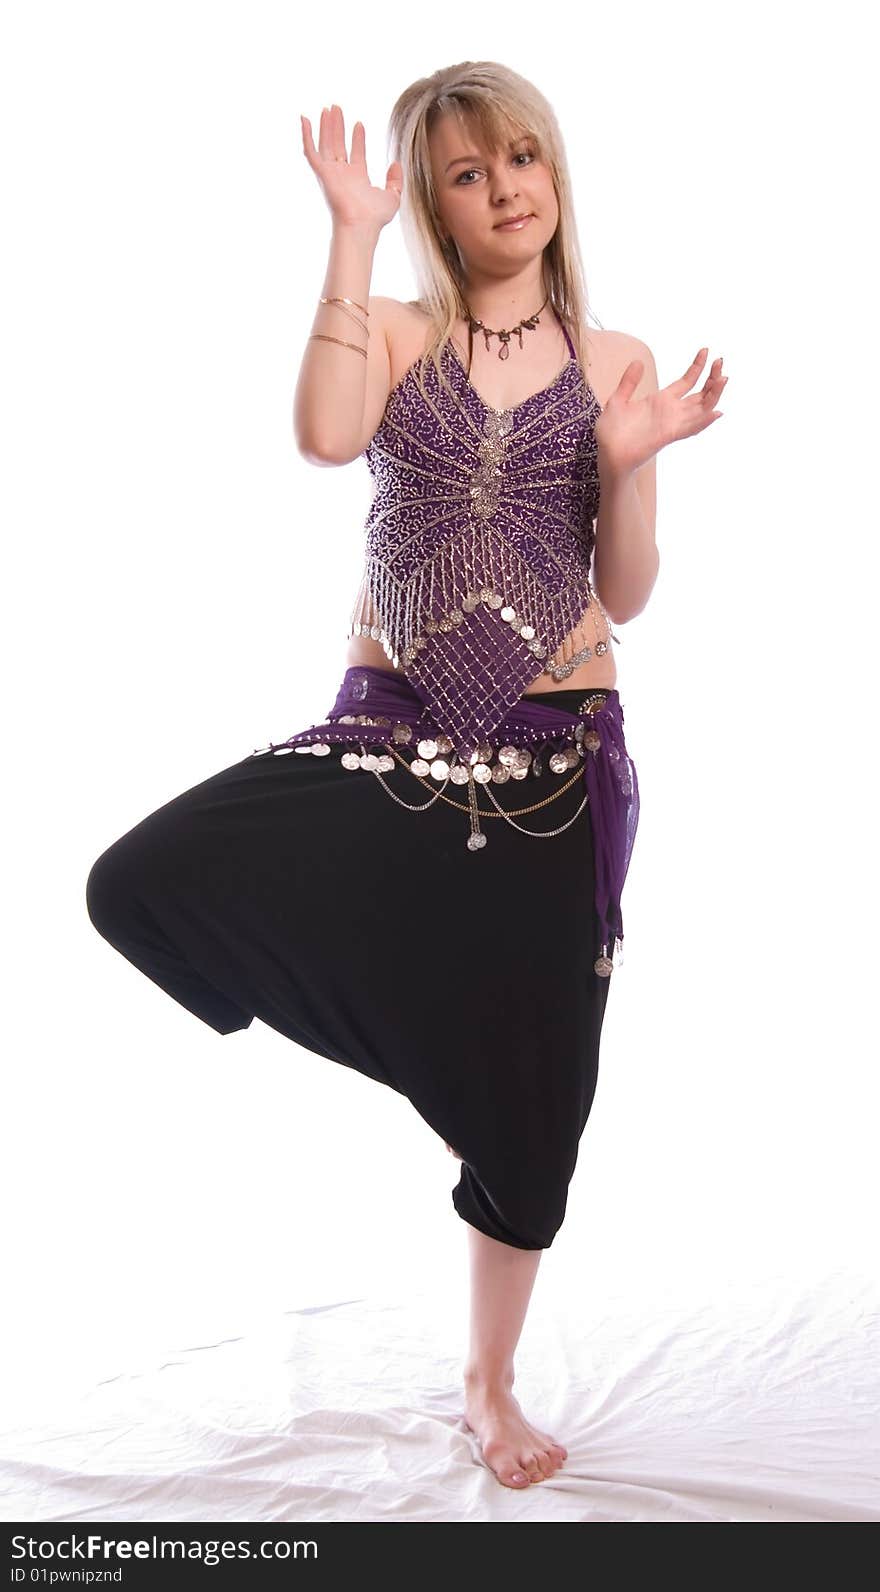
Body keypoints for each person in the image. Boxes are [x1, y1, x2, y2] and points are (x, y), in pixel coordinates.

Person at [85, 61, 726, 1492]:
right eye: (464, 172)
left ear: (553, 173)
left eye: (520, 158)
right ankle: (437, 1055)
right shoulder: (390, 327)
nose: (503, 186)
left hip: (556, 762)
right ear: (434, 203)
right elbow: (321, 438)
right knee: (140, 883)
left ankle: (487, 1386)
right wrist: (349, 233)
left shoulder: (617, 358)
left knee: (536, 1132)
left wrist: (626, 462)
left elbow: (628, 587)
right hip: (392, 741)